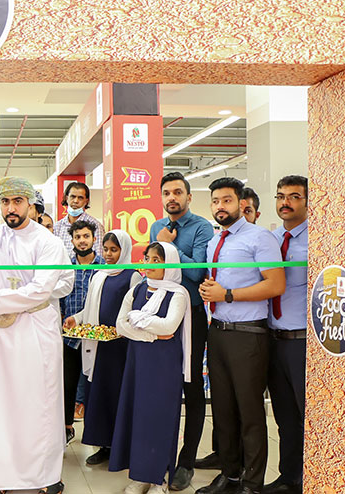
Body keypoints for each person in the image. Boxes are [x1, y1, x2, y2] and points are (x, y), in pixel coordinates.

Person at [0, 177, 73, 494]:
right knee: (0, 402)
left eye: (17, 202)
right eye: (5, 202)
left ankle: (43, 477)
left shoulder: (47, 241)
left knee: (39, 403)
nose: (10, 208)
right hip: (1, 332)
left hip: (36, 329)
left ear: (30, 204)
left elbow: (41, 289)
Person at [196, 177, 285, 494]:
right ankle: (230, 474)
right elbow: (221, 283)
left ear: (241, 203)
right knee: (223, 410)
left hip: (248, 335)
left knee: (249, 412)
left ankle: (252, 482)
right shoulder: (214, 241)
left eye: (227, 200)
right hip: (218, 331)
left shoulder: (259, 238)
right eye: (215, 201)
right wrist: (211, 290)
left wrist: (228, 294)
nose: (220, 206)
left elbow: (275, 284)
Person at [110, 242, 192, 494]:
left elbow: (169, 327)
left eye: (157, 260)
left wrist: (137, 320)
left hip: (164, 366)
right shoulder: (137, 289)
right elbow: (120, 325)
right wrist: (150, 333)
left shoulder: (178, 294)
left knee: (160, 418)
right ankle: (140, 476)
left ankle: (159, 479)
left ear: (170, 263)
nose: (150, 264)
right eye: (148, 258)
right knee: (139, 417)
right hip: (138, 362)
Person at [149, 172, 214, 491]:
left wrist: (170, 245)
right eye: (166, 193)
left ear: (189, 196)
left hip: (191, 316)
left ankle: (186, 462)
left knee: (192, 387)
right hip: (160, 315)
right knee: (162, 385)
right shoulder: (156, 227)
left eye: (177, 192)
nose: (171, 197)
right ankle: (160, 456)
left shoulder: (201, 227)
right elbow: (154, 270)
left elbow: (198, 271)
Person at [71, 230, 142, 467]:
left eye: (114, 250)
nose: (109, 254)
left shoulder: (133, 276)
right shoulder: (99, 275)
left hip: (120, 348)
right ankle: (102, 445)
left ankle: (120, 446)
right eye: (106, 249)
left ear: (124, 250)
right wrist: (76, 319)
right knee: (98, 394)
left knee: (117, 394)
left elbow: (135, 312)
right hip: (97, 346)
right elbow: (90, 306)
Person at [263, 176, 308, 494]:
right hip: (272, 339)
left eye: (294, 196)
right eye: (280, 196)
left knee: (309, 415)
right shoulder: (271, 239)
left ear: (307, 202)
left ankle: (313, 478)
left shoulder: (319, 239)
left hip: (304, 342)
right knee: (284, 416)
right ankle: (288, 477)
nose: (285, 202)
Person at [59, 220, 104, 444]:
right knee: (67, 384)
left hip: (96, 336)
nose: (82, 241)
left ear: (94, 239)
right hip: (70, 336)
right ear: (72, 240)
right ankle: (67, 428)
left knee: (95, 386)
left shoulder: (104, 266)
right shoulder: (65, 266)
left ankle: (96, 433)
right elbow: (60, 298)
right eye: (78, 237)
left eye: (86, 236)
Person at [53, 181, 104, 258]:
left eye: (80, 198)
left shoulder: (95, 225)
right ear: (66, 198)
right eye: (72, 197)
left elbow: (99, 256)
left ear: (86, 201)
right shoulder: (58, 226)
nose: (76, 201)